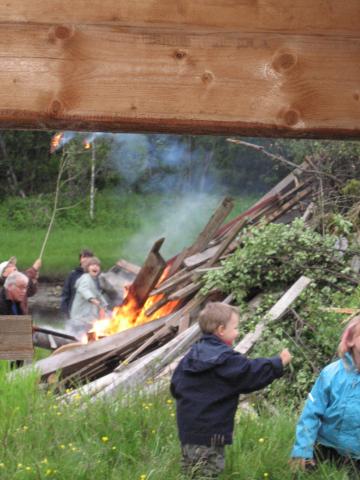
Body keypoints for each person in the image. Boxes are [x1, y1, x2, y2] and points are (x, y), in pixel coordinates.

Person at [170, 301, 292, 478]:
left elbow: (175, 386)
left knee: (191, 472)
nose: (238, 332)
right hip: (211, 433)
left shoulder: (192, 356)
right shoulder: (226, 359)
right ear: (221, 330)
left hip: (188, 431)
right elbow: (250, 373)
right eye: (235, 328)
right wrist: (278, 362)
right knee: (207, 472)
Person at [290, 315, 360, 476]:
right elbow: (311, 414)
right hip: (326, 448)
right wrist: (302, 449)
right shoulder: (331, 374)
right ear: (350, 340)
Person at [69, 256, 108, 338]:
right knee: (81, 341)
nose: (95, 267)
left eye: (97, 265)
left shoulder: (93, 281)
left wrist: (103, 306)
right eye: (92, 265)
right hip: (80, 319)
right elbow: (83, 289)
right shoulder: (85, 278)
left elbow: (99, 296)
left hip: (88, 320)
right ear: (87, 268)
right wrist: (92, 299)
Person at [60, 249, 94, 318]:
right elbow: (65, 294)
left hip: (90, 314)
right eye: (84, 257)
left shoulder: (95, 275)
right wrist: (65, 311)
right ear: (80, 259)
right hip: (74, 312)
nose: (86, 260)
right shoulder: (73, 275)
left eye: (89, 258)